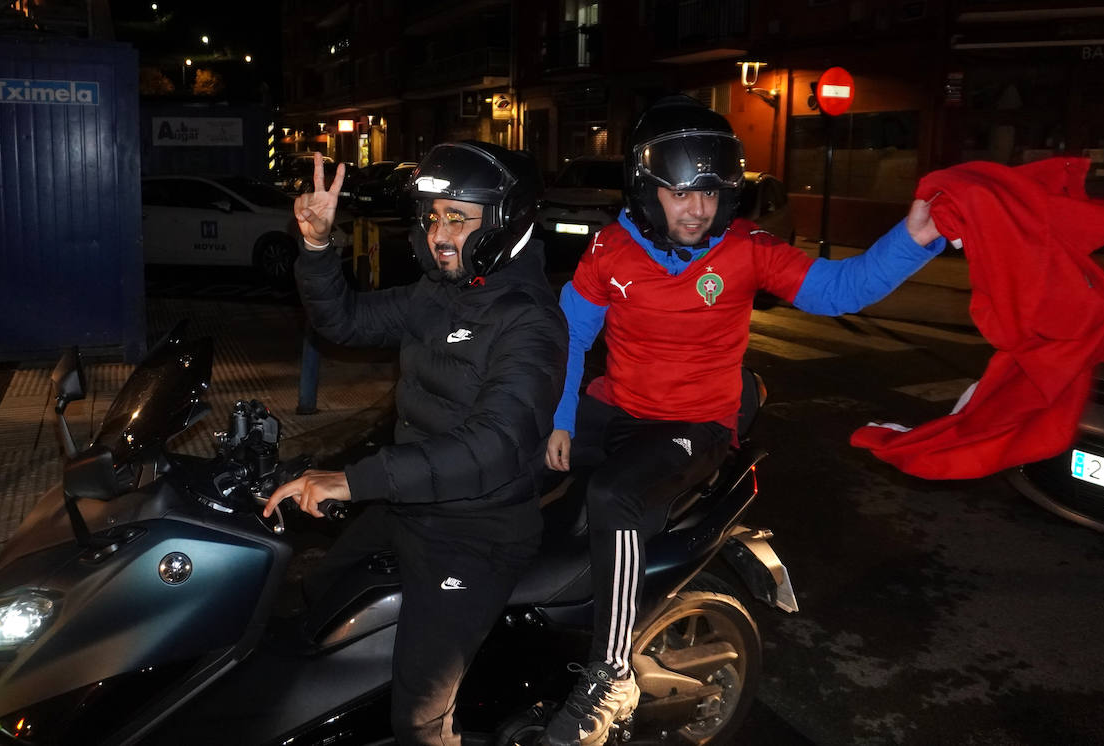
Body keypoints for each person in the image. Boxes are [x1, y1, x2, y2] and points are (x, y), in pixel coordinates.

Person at [541, 95, 945, 743]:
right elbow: (568, 339)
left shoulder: (749, 249)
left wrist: (913, 240)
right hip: (614, 407)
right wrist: (558, 420)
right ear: (648, 191)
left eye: (711, 193)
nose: (699, 209)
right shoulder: (609, 252)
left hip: (694, 422)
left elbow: (839, 289)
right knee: (520, 478)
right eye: (681, 193)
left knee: (616, 495)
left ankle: (611, 673)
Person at [264, 143, 568, 745]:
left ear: (503, 221)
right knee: (319, 600)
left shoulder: (529, 321)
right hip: (411, 504)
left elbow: (494, 446)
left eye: (459, 217)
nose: (439, 234)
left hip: (474, 534)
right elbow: (345, 321)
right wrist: (319, 245)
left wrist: (352, 480)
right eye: (432, 217)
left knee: (419, 718)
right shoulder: (439, 292)